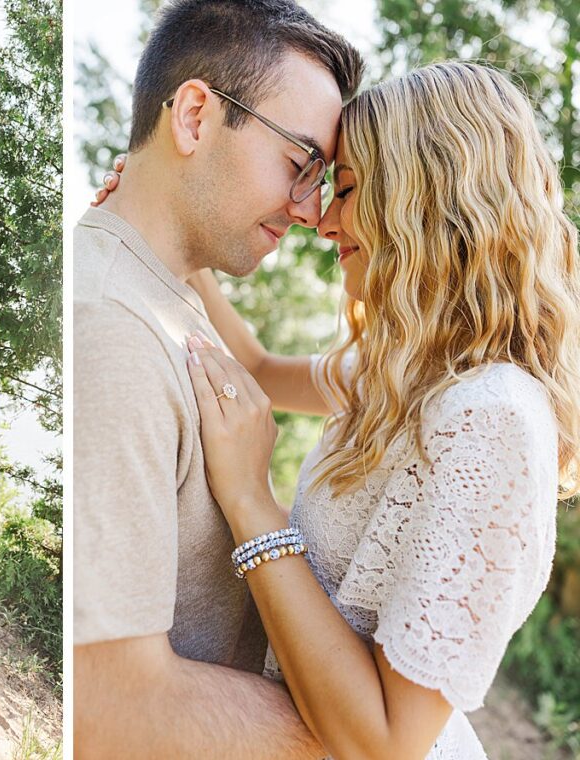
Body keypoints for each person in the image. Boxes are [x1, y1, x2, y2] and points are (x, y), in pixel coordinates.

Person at [101, 61, 580, 758]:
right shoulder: (409, 374)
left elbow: (385, 743)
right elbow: (261, 369)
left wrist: (250, 501)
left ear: (427, 198)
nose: (322, 221)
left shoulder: (492, 418)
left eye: (348, 189)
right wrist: (172, 231)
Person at [73, 1, 363, 756]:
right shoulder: (109, 327)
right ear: (196, 116)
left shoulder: (163, 293)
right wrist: (366, 734)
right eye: (301, 164)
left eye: (324, 181)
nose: (310, 212)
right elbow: (104, 702)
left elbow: (264, 367)